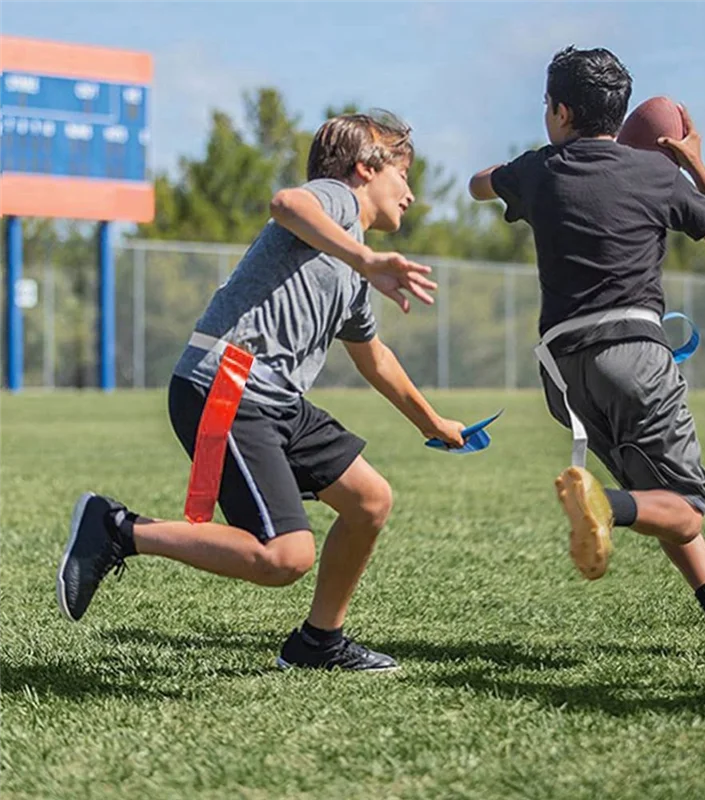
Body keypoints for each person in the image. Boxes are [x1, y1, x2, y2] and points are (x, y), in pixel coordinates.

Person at [57, 111, 465, 672]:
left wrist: (432, 423)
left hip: (274, 399)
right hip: (228, 385)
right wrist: (367, 259)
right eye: (404, 175)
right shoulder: (337, 203)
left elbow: (374, 357)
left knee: (369, 501)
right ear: (365, 168)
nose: (412, 194)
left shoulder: (351, 264)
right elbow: (285, 204)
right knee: (284, 557)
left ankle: (319, 642)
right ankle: (117, 528)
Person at [468, 47, 705, 664]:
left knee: (657, 493)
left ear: (560, 110)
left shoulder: (539, 168)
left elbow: (477, 185)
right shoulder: (659, 176)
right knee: (683, 507)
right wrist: (695, 166)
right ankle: (606, 503)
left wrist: (517, 171)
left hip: (564, 375)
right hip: (634, 359)